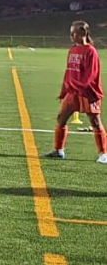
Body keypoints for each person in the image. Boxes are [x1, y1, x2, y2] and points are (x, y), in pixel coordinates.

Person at [44, 21, 107, 163]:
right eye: (71, 33)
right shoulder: (73, 50)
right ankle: (58, 150)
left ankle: (103, 153)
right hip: (72, 92)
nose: (72, 36)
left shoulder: (91, 51)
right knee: (61, 118)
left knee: (95, 122)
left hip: (87, 92)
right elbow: (69, 72)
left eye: (74, 33)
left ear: (83, 34)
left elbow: (92, 75)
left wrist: (81, 88)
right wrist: (64, 90)